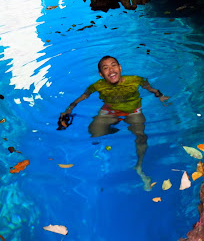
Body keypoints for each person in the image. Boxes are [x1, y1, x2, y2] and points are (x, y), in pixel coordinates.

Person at [60, 55, 169, 190]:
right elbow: (82, 97)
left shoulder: (135, 80)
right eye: (106, 68)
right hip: (110, 111)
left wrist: (161, 96)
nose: (111, 70)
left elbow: (151, 89)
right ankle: (112, 130)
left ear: (120, 68)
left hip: (133, 111)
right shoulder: (97, 86)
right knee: (94, 132)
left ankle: (139, 165)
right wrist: (69, 109)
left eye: (113, 65)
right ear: (101, 74)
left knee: (141, 136)